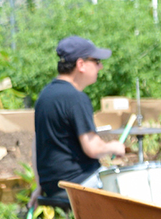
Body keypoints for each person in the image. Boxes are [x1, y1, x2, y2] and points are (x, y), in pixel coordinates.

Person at [33, 36, 126, 202]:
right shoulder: (76, 98)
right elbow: (92, 148)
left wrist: (39, 184)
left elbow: (37, 146)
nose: (101, 66)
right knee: (130, 191)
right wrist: (114, 146)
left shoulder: (44, 96)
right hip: (79, 183)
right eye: (96, 61)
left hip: (52, 187)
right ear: (80, 64)